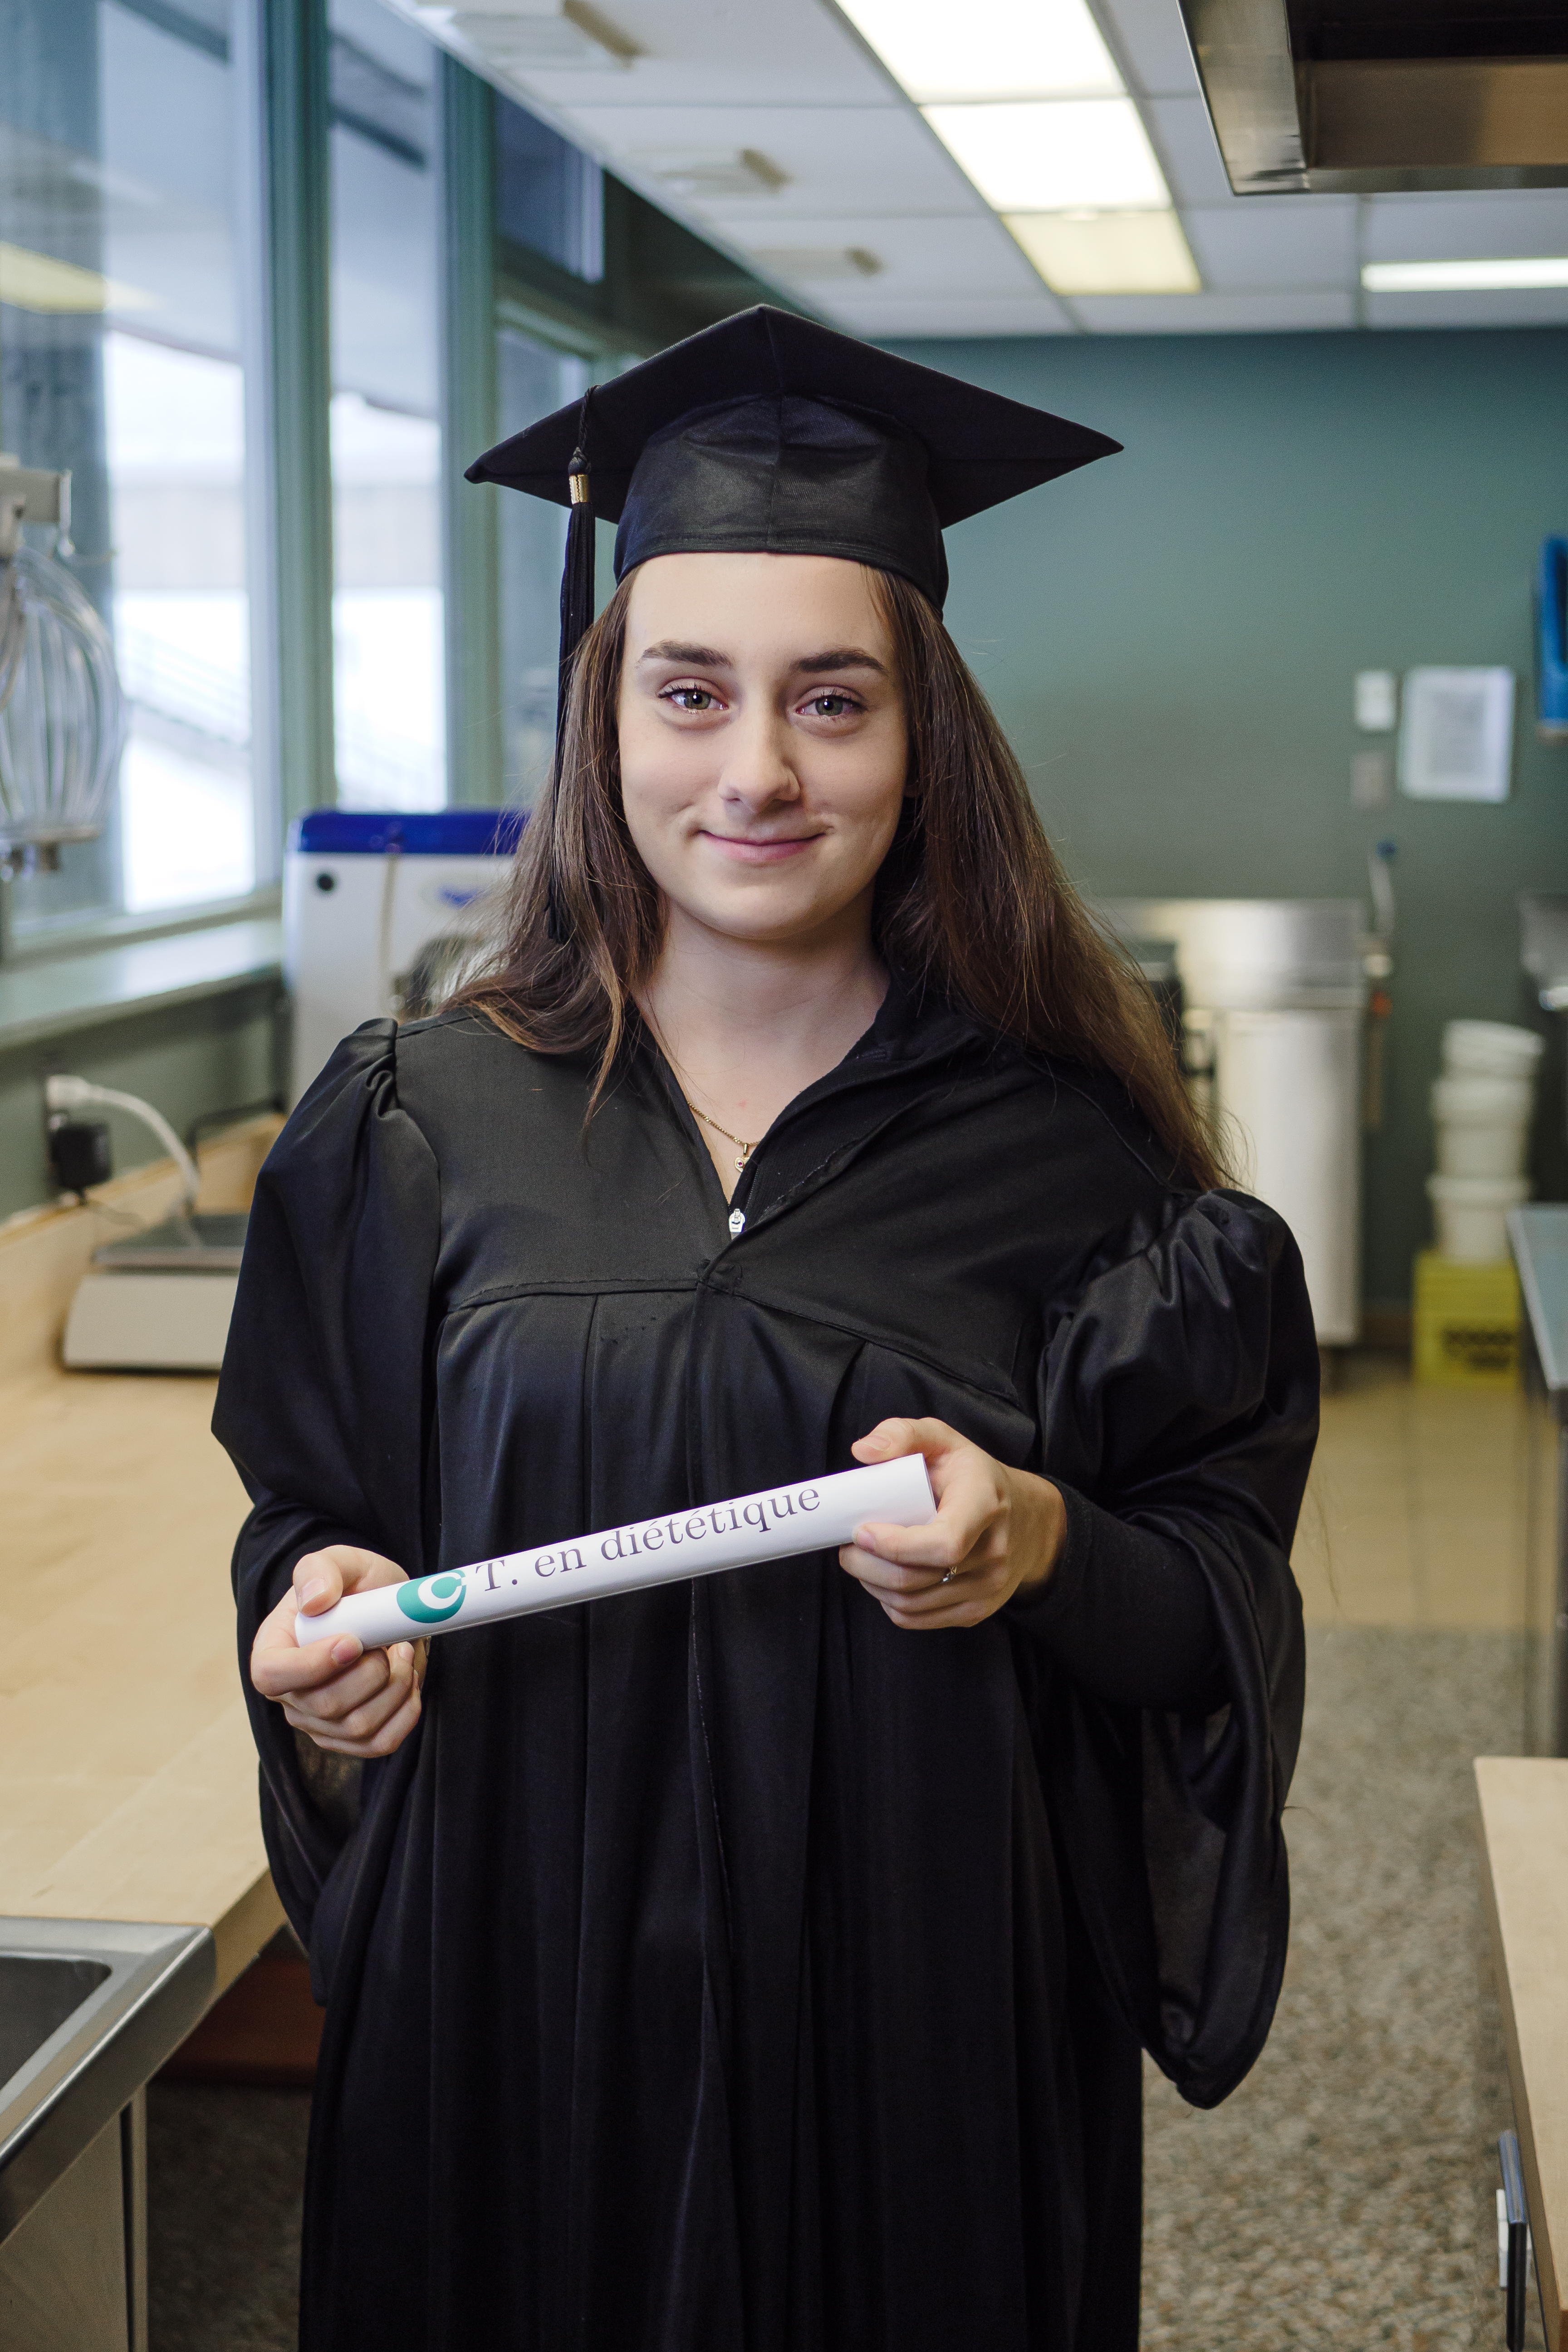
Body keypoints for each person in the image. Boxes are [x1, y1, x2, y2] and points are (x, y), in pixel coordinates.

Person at [221, 307, 1317, 2352]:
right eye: (690, 691)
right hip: (514, 2014)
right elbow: (315, 1522)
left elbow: (1212, 1611)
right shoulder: (413, 1126)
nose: (759, 769)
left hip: (921, 2028)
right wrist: (315, 1637)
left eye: (833, 699)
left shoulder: (1077, 1165)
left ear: (924, 738)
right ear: (601, 717)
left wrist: (1044, 1542)